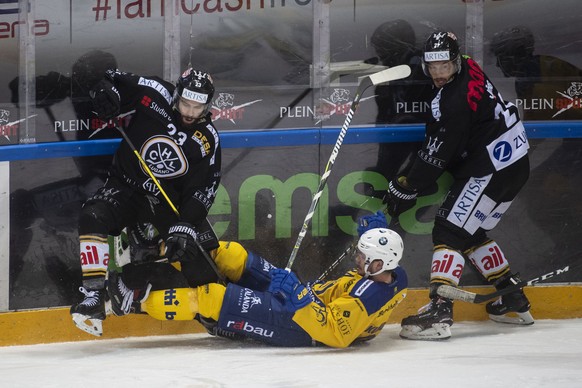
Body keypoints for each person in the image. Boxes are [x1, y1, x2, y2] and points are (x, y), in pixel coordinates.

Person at [382, 31, 534, 341]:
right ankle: (512, 298)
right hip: (515, 163)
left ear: (455, 62)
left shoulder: (454, 102)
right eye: (433, 66)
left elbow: (438, 153)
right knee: (469, 232)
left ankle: (440, 310)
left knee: (448, 230)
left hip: (491, 167)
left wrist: (407, 186)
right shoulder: (468, 63)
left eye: (445, 66)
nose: (439, 73)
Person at [70, 67, 222, 336]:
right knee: (92, 215)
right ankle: (94, 295)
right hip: (126, 187)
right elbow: (106, 77)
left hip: (166, 202)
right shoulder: (154, 92)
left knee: (194, 255)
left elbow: (203, 190)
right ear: (176, 94)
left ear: (207, 106)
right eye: (185, 103)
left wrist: (186, 224)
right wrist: (104, 91)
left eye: (196, 107)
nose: (188, 111)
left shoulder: (207, 139)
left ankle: (213, 314)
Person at [107, 226, 408, 348]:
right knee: (233, 256)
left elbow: (335, 334)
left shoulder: (369, 297)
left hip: (303, 329)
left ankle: (128, 303)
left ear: (380, 264)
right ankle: (151, 251)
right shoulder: (393, 274)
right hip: (304, 303)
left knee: (211, 299)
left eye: (364, 256)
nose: (357, 257)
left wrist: (298, 295)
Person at [490, 25, 582, 120]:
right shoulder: (524, 79)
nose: (497, 64)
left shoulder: (553, 71)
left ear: (517, 55)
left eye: (501, 58)